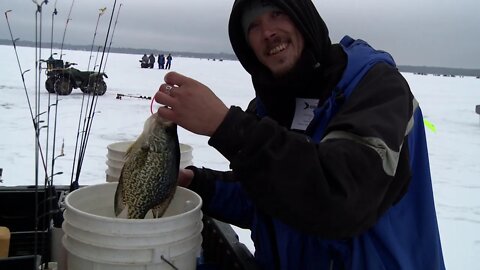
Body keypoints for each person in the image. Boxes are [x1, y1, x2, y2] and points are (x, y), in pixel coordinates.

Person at [154, 0, 445, 269]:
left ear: (302, 15)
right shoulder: (271, 108)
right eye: (253, 27)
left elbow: (340, 197)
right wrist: (200, 184)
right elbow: (269, 196)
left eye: (277, 13)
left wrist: (227, 126)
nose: (267, 32)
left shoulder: (375, 87)